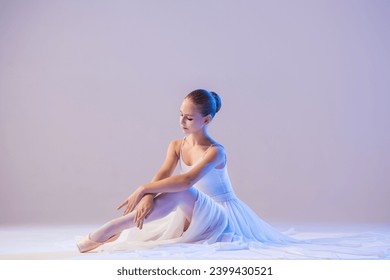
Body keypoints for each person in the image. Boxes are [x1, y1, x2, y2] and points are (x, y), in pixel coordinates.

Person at [76, 89, 292, 253]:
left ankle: (108, 230)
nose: (182, 121)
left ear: (206, 120)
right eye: (180, 115)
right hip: (192, 210)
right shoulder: (177, 145)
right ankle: (115, 231)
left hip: (221, 215)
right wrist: (149, 196)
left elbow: (187, 180)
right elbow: (163, 174)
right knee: (172, 193)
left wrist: (143, 189)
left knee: (180, 189)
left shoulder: (216, 152)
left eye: (189, 118)